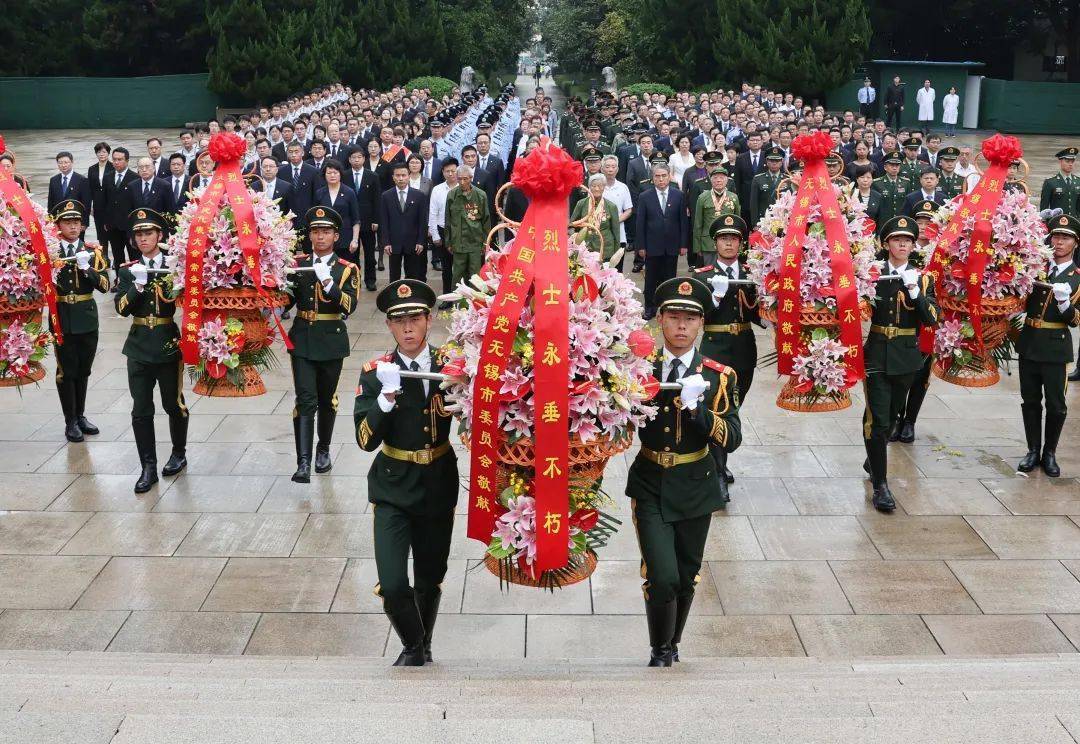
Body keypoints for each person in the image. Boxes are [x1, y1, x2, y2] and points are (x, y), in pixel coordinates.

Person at [627, 276, 741, 667]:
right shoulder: (638, 370)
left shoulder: (719, 376)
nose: (681, 326)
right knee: (662, 574)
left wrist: (699, 412)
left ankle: (672, 641)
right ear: (659, 320)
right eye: (673, 316)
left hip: (696, 482)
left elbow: (733, 436)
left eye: (690, 319)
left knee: (687, 572)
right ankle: (659, 650)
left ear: (701, 324)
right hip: (651, 481)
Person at [353, 279, 457, 666]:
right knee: (394, 583)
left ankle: (422, 645)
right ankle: (413, 645)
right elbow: (365, 440)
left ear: (429, 320)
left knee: (431, 577)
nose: (408, 328)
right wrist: (385, 399)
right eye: (399, 321)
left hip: (437, 484)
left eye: (415, 318)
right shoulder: (375, 372)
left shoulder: (452, 367)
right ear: (389, 327)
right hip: (393, 486)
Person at [862, 216, 939, 511]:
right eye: (896, 239)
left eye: (907, 240)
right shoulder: (871, 274)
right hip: (877, 354)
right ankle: (881, 485)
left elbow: (931, 317)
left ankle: (874, 454)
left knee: (892, 417)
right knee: (877, 418)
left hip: (907, 356)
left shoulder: (922, 278)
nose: (902, 244)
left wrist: (916, 293)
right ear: (886, 244)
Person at [114, 208, 188, 493]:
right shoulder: (127, 269)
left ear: (160, 235)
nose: (143, 238)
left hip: (168, 343)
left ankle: (178, 453)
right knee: (141, 409)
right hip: (139, 346)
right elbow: (121, 309)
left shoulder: (174, 266)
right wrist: (137, 284)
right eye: (139, 234)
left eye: (149, 233)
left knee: (173, 404)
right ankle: (148, 466)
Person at [284, 207, 360, 483]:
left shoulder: (346, 269)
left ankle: (323, 449)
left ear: (336, 236)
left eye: (326, 232)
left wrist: (329, 284)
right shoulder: (298, 264)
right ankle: (303, 462)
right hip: (303, 338)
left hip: (331, 340)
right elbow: (285, 301)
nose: (320, 236)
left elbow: (349, 305)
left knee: (327, 399)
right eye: (315, 231)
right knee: (305, 400)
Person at [694, 214, 758, 486]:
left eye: (733, 239)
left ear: (740, 244)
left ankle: (719, 462)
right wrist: (715, 297)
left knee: (733, 407)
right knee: (716, 406)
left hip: (743, 348)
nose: (729, 243)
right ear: (716, 243)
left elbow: (758, 313)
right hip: (715, 349)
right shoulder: (703, 276)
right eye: (723, 238)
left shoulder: (751, 273)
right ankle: (718, 472)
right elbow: (695, 315)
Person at [1016, 214, 1080, 477]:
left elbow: (1076, 320)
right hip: (1030, 343)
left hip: (1055, 347)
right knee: (1030, 400)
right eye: (1056, 236)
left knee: (1056, 404)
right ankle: (1033, 450)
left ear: (1075, 243)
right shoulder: (1036, 268)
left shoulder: (1077, 277)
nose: (1059, 242)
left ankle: (1049, 453)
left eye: (1065, 238)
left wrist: (1065, 304)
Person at [49, 200, 110, 442]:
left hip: (86, 317)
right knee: (66, 370)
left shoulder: (93, 252)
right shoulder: (50, 252)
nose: (73, 227)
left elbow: (105, 285)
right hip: (62, 316)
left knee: (83, 368)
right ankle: (70, 420)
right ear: (58, 225)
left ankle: (81, 415)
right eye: (67, 222)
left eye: (76, 222)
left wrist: (88, 270)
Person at [891, 199, 940, 443]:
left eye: (929, 223)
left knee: (921, 375)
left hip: (929, 317)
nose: (924, 227)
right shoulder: (902, 251)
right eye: (920, 222)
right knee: (900, 373)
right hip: (903, 319)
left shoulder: (941, 252)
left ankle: (910, 420)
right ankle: (897, 417)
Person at [636, 164, 689, 320]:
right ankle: (650, 308)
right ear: (653, 178)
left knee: (670, 278)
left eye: (663, 175)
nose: (661, 179)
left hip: (672, 245)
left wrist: (683, 244)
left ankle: (668, 307)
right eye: (657, 176)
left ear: (669, 176)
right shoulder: (645, 196)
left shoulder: (678, 195)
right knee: (651, 279)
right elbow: (640, 223)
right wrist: (641, 246)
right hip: (652, 245)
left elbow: (683, 222)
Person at [379, 161, 430, 282]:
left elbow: (423, 221)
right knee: (394, 276)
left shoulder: (419, 196)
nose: (400, 178)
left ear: (408, 176)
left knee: (412, 275)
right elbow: (384, 221)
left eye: (403, 175)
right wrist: (385, 242)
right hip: (393, 243)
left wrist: (421, 241)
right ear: (393, 177)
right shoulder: (386, 196)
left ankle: (411, 299)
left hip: (413, 243)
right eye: (397, 175)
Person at [444, 164, 491, 288]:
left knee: (475, 276)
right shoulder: (452, 195)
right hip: (458, 243)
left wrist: (485, 243)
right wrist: (448, 242)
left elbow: (486, 221)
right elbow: (448, 221)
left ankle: (475, 304)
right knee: (458, 276)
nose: (462, 182)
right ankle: (458, 304)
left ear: (471, 178)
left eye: (465, 178)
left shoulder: (481, 195)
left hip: (475, 242)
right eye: (459, 179)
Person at [343, 148, 381, 291]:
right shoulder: (345, 176)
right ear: (349, 159)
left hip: (368, 221)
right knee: (353, 252)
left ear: (364, 159)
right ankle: (355, 279)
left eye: (359, 157)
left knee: (370, 254)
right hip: (351, 221)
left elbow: (377, 200)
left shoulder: (372, 176)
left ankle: (370, 280)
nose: (356, 160)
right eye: (354, 157)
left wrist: (376, 220)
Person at [102, 147, 139, 279]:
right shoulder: (107, 177)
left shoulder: (135, 178)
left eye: (120, 160)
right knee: (118, 255)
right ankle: (119, 280)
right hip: (113, 225)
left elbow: (136, 205)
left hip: (129, 226)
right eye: (115, 160)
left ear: (127, 161)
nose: (116, 162)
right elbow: (104, 201)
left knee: (134, 255)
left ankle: (135, 280)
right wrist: (105, 222)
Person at [692, 164, 739, 262]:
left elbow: (738, 224)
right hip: (708, 243)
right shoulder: (703, 197)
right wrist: (697, 247)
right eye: (715, 178)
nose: (718, 180)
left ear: (727, 180)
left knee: (727, 271)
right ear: (710, 179)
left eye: (721, 178)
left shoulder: (734, 197)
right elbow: (698, 224)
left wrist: (739, 245)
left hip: (728, 243)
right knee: (709, 272)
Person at [314, 161, 360, 260]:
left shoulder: (349, 192)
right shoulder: (319, 193)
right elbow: (315, 219)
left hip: (345, 239)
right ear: (324, 175)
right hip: (325, 239)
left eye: (335, 172)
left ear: (340, 174)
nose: (332, 175)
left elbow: (356, 219)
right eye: (329, 173)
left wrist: (355, 240)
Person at [428, 158, 459, 303]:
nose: (451, 174)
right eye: (448, 171)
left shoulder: (465, 187)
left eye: (453, 170)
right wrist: (435, 234)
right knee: (446, 268)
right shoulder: (437, 189)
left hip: (461, 232)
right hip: (442, 231)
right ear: (443, 172)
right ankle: (448, 298)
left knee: (460, 267)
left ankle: (462, 299)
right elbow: (433, 213)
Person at [570, 173, 620, 261]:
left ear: (604, 187)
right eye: (593, 186)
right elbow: (572, 224)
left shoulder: (611, 206)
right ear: (589, 187)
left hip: (605, 249)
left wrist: (615, 253)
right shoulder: (581, 203)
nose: (597, 189)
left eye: (600, 186)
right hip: (585, 248)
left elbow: (616, 232)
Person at [872, 152, 912, 226]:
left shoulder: (905, 182)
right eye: (891, 165)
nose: (894, 168)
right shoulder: (877, 183)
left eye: (897, 165)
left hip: (901, 222)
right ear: (885, 167)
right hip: (883, 223)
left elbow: (908, 204)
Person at [1040, 147, 1080, 219]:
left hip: (1074, 224)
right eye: (1067, 161)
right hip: (1057, 224)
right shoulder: (1050, 182)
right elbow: (1044, 210)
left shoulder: (1078, 182)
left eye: (1072, 161)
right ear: (1061, 161)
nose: (1070, 164)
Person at [749, 147, 784, 226]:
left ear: (782, 162)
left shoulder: (787, 179)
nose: (774, 163)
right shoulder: (758, 179)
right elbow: (754, 204)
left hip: (782, 219)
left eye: (777, 160)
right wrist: (755, 224)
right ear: (767, 162)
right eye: (771, 161)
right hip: (764, 220)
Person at [87, 142, 114, 244]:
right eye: (99, 152)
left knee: (113, 235)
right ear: (96, 154)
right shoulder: (92, 169)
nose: (101, 154)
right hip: (98, 207)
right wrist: (90, 207)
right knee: (101, 236)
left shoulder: (113, 167)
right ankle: (103, 258)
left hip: (111, 206)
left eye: (104, 151)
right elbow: (89, 189)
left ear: (108, 153)